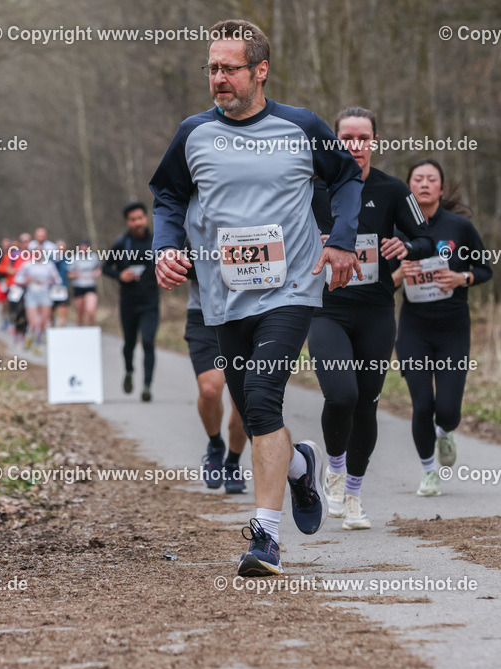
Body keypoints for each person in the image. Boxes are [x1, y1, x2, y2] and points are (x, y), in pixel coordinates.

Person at [151, 19, 363, 576]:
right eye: (212, 69)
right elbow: (167, 196)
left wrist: (341, 242)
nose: (218, 78)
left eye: (229, 68)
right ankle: (298, 467)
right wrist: (166, 247)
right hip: (223, 296)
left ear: (260, 71)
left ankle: (265, 538)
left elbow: (345, 181)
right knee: (250, 408)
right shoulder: (193, 133)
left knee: (264, 400)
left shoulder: (301, 127)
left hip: (291, 287)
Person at [308, 108, 434, 530]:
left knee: (367, 404)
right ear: (334, 142)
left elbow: (425, 238)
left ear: (375, 142)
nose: (355, 146)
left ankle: (355, 495)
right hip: (327, 310)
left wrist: (406, 247)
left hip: (377, 313)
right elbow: (282, 235)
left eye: (363, 138)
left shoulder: (393, 189)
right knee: (341, 395)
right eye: (347, 137)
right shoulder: (313, 188)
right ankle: (335, 467)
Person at [393, 159, 492, 496]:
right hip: (413, 328)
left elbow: (485, 269)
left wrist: (462, 277)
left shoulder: (459, 227)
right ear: (409, 186)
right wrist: (397, 275)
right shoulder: (397, 228)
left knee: (447, 411)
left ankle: (444, 432)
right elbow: (381, 281)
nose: (424, 184)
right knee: (422, 405)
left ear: (441, 188)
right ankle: (428, 472)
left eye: (431, 179)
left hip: (452, 327)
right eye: (417, 179)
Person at [183, 265, 249, 493]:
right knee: (210, 390)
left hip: (247, 313)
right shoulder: (192, 227)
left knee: (244, 400)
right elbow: (171, 252)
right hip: (203, 316)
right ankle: (215, 446)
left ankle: (232, 463)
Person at [103, 203, 159, 402]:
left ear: (145, 218)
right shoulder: (121, 243)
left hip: (151, 301)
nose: (137, 222)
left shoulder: (156, 240)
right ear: (128, 221)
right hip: (128, 302)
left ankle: (147, 386)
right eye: (133, 219)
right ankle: (129, 371)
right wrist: (120, 275)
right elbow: (105, 267)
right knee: (129, 343)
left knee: (148, 342)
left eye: (140, 218)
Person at [15, 242, 62, 350]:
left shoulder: (49, 265)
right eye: (36, 252)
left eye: (40, 252)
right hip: (31, 295)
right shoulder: (27, 265)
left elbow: (58, 280)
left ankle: (38, 342)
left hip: (45, 294)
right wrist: (26, 280)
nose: (38, 254)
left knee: (42, 323)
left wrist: (50, 281)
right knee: (34, 323)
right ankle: (29, 338)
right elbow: (18, 279)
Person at [69, 241, 101, 326]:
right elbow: (69, 274)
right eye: (82, 248)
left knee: (91, 311)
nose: (84, 250)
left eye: (85, 248)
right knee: (80, 313)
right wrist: (75, 274)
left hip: (90, 286)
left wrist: (96, 273)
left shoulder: (94, 257)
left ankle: (91, 330)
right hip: (78, 287)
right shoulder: (74, 258)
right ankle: (81, 331)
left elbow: (99, 268)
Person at [51, 240, 71, 326]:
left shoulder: (68, 260)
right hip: (52, 289)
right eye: (59, 247)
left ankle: (61, 330)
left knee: (63, 311)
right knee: (50, 312)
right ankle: (50, 331)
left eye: (62, 247)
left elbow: (72, 272)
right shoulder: (50, 260)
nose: (60, 249)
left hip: (63, 288)